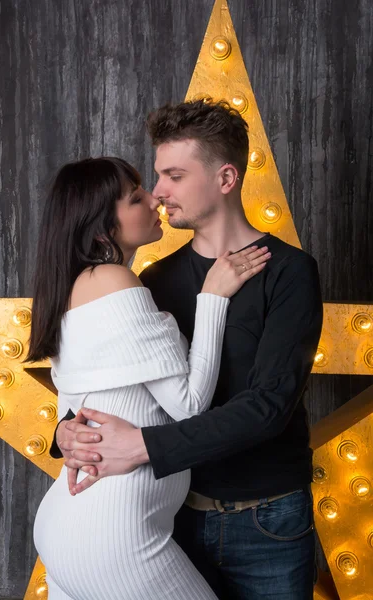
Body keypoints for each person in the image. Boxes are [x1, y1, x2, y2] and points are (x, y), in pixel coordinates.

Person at [54, 100, 324, 600]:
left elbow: (268, 407)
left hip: (268, 521)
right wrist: (66, 430)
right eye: (156, 176)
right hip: (169, 521)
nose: (158, 192)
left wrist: (143, 448)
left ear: (225, 179)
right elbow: (112, 380)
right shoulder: (149, 281)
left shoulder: (290, 272)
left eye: (174, 175)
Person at [26, 155, 270, 600]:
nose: (154, 197)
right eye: (135, 196)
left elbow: (81, 404)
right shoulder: (114, 281)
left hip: (71, 522)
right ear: (102, 229)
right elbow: (189, 405)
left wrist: (63, 429)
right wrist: (212, 298)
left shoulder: (81, 285)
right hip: (113, 536)